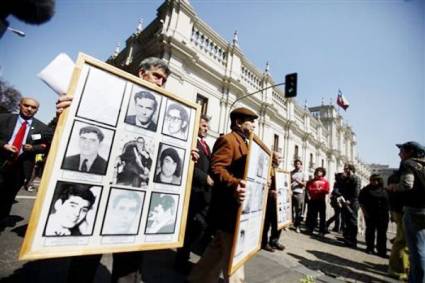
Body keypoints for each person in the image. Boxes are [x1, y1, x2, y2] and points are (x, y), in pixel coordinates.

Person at [58, 57, 171, 283]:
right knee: (86, 257)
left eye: (164, 80)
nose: (160, 83)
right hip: (100, 193)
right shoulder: (112, 98)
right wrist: (67, 111)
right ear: (142, 73)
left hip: (134, 198)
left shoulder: (163, 118)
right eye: (157, 76)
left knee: (130, 262)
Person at [188, 107, 258, 283]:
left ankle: (197, 279)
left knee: (218, 248)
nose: (254, 126)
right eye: (251, 122)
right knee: (234, 257)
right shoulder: (228, 140)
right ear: (238, 122)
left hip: (235, 207)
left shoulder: (245, 141)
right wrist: (235, 184)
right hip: (228, 206)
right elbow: (217, 168)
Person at [0, 97, 52, 223]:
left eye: (33, 107)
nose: (29, 109)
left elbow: (47, 146)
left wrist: (33, 148)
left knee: (9, 195)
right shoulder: (3, 119)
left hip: (20, 166)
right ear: (20, 105)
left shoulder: (42, 128)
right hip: (1, 160)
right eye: (26, 105)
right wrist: (3, 145)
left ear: (37, 110)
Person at [175, 114, 214, 272]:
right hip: (193, 192)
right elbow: (186, 165)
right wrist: (205, 178)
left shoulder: (205, 145)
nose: (206, 129)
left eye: (207, 126)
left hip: (203, 194)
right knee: (190, 228)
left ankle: (185, 255)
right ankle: (180, 260)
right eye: (204, 126)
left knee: (199, 227)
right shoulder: (190, 142)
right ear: (196, 125)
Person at [388, 141, 425, 283]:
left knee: (416, 251)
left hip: (414, 210)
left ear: (410, 152)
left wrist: (393, 187)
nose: (399, 153)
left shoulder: (408, 163)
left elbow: (407, 184)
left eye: (402, 150)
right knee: (421, 248)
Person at [359, 174, 390, 256]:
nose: (373, 182)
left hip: (383, 215)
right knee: (370, 232)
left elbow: (388, 202)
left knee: (382, 234)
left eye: (375, 180)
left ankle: (381, 250)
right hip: (370, 214)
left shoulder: (384, 190)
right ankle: (370, 248)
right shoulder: (366, 190)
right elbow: (361, 202)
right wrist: (365, 213)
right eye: (372, 180)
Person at [387, 171, 409, 280]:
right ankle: (397, 268)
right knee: (402, 241)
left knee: (402, 240)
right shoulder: (403, 175)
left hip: (401, 210)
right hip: (402, 211)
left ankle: (401, 267)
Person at [262, 151, 285, 252]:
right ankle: (264, 242)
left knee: (278, 221)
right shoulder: (267, 168)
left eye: (281, 158)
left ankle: (274, 241)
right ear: (273, 158)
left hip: (278, 200)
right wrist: (270, 191)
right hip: (268, 200)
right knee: (267, 222)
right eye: (279, 158)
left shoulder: (280, 170)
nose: (281, 160)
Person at [339, 163, 361, 248]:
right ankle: (347, 239)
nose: (344, 170)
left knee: (352, 221)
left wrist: (350, 200)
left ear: (351, 169)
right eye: (344, 169)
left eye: (346, 169)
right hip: (345, 202)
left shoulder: (356, 178)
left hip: (353, 203)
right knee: (346, 221)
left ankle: (353, 240)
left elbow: (356, 192)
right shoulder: (346, 179)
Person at [305, 167, 330, 237]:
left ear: (323, 173)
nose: (319, 173)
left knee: (322, 217)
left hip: (321, 200)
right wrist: (317, 190)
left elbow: (327, 191)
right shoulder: (311, 181)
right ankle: (311, 229)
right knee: (313, 215)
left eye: (320, 171)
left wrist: (319, 190)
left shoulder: (326, 182)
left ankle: (321, 231)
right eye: (318, 171)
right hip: (313, 200)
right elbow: (308, 188)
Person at [290, 159, 306, 233]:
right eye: (296, 164)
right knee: (290, 209)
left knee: (298, 210)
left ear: (301, 165)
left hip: (299, 193)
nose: (297, 165)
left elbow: (304, 184)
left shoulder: (303, 173)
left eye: (299, 164)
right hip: (291, 192)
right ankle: (290, 223)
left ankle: (297, 226)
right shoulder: (291, 173)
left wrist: (297, 181)